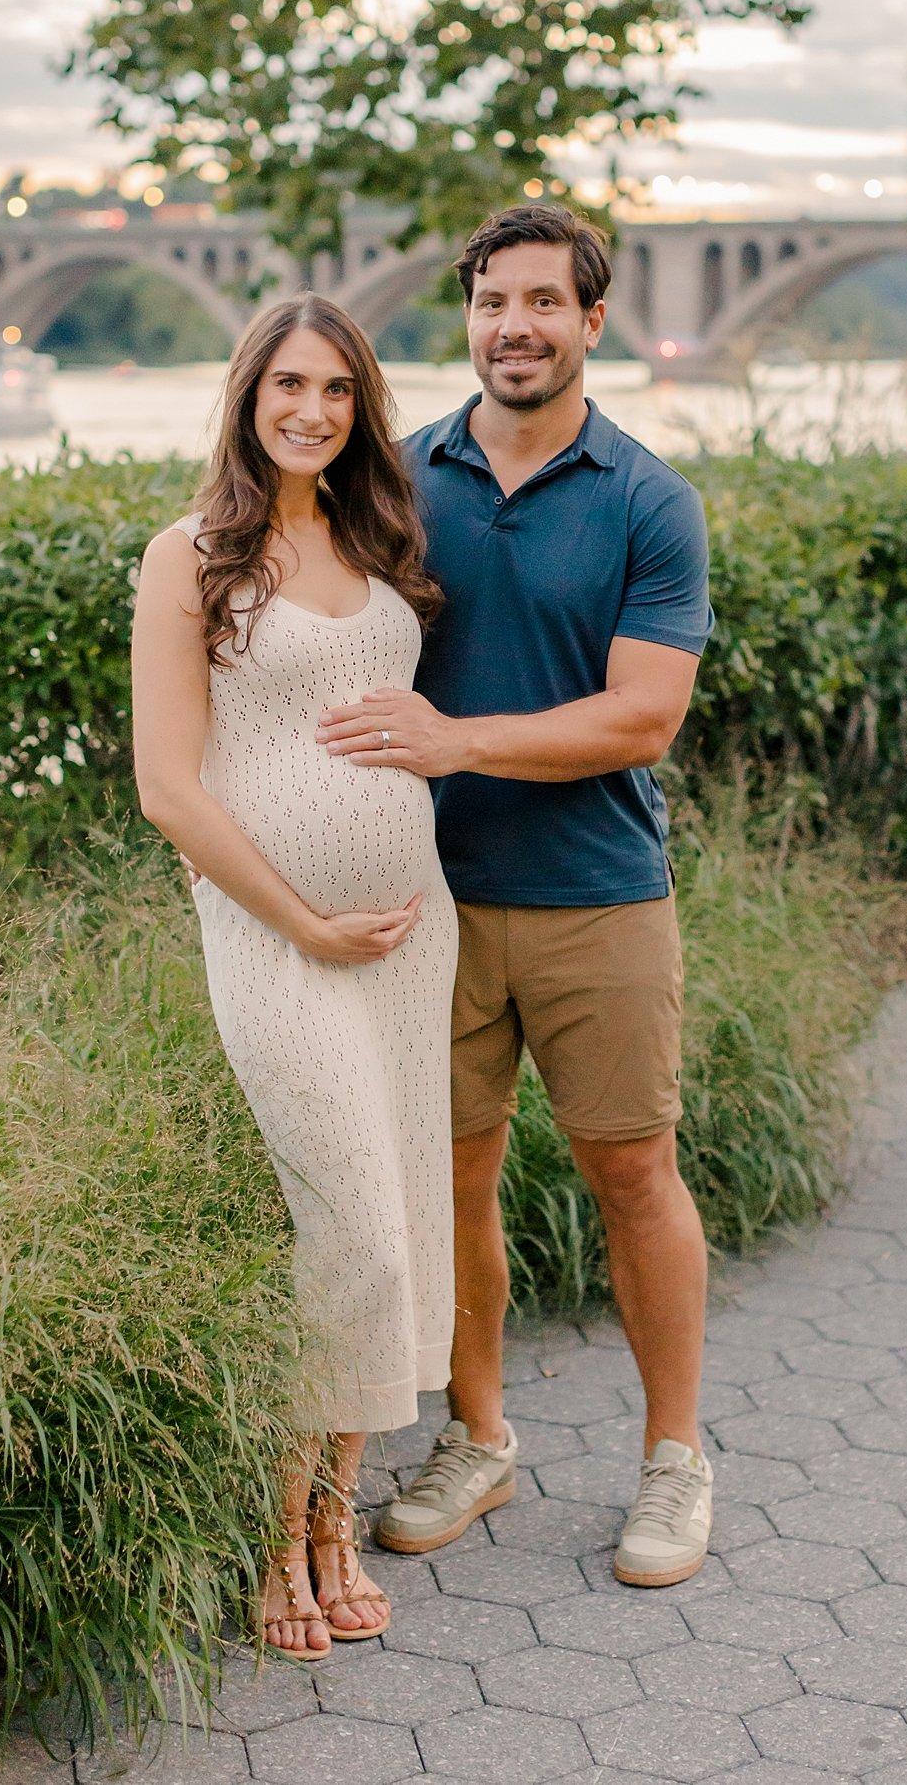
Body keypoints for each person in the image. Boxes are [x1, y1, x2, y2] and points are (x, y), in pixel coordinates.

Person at [317, 203, 716, 1588]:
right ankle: (479, 1438)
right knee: (454, 1179)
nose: (517, 328)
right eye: (494, 302)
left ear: (593, 323)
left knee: (633, 1170)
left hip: (597, 890)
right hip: (423, 897)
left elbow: (642, 718)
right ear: (469, 316)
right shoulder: (400, 475)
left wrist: (458, 739)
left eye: (546, 303)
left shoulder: (651, 499)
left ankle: (674, 1460)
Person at [130, 295, 457, 1657]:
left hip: (408, 937)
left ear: (360, 405)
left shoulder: (378, 538)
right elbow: (168, 787)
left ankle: (338, 1517)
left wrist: (443, 742)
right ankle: (281, 1540)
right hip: (279, 941)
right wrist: (305, 920)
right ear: (245, 393)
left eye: (335, 388)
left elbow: (412, 714)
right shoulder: (190, 556)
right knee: (354, 1234)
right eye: (287, 385)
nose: (311, 409)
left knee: (394, 1237)